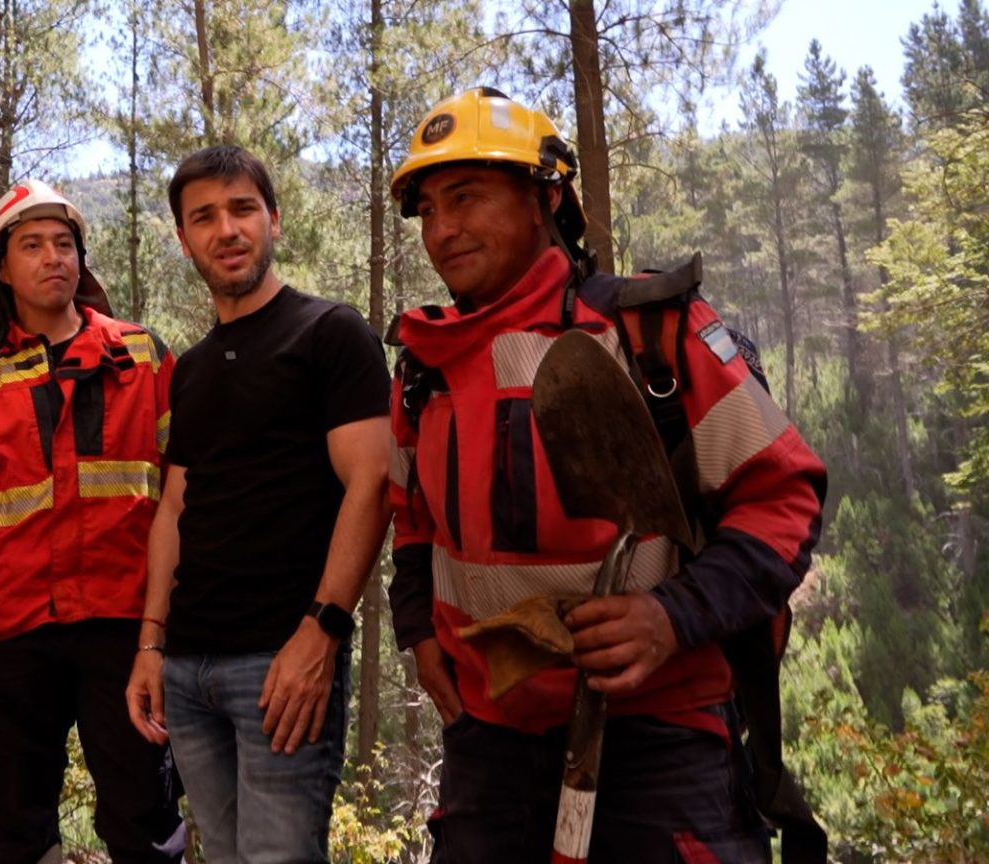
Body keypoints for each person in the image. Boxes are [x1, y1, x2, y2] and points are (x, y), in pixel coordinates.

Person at [384, 87, 828, 861]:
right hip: (487, 746)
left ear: (544, 199)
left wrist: (672, 616)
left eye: (465, 197)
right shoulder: (425, 367)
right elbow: (412, 517)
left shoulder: (649, 333)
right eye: (426, 210)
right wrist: (418, 630)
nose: (442, 229)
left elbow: (782, 495)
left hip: (659, 735)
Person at [123, 145, 391, 864]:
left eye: (242, 209)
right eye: (204, 217)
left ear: (273, 218)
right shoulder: (194, 368)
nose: (227, 230)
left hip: (281, 664)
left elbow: (372, 483)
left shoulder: (330, 334)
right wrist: (152, 645)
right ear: (184, 241)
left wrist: (323, 631)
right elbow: (175, 510)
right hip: (187, 671)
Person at [0, 179, 185, 864]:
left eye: (64, 244)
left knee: (143, 819)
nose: (52, 258)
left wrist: (173, 625)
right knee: (22, 827)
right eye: (31, 246)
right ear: (0, 269)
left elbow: (189, 494)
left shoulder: (143, 358)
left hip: (126, 628)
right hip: (14, 633)